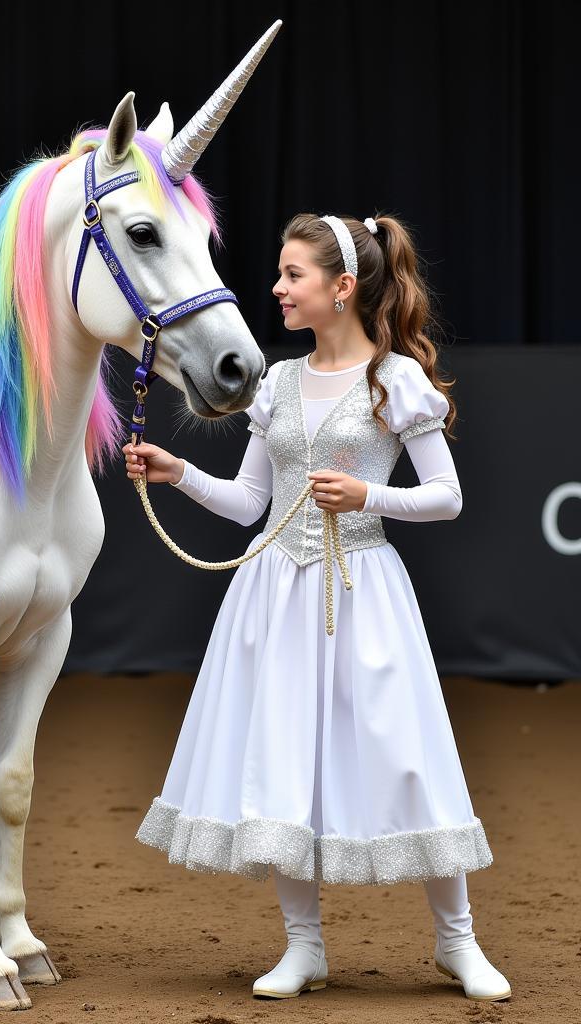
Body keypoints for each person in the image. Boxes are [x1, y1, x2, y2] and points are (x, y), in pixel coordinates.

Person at [128, 213, 511, 1002]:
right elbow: (248, 504)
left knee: (407, 757)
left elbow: (447, 497)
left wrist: (369, 493)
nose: (276, 288)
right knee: (282, 760)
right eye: (279, 273)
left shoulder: (395, 379)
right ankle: (303, 946)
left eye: (292, 274)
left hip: (361, 592)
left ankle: (457, 941)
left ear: (341, 289)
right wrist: (178, 474)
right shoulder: (276, 382)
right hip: (274, 594)